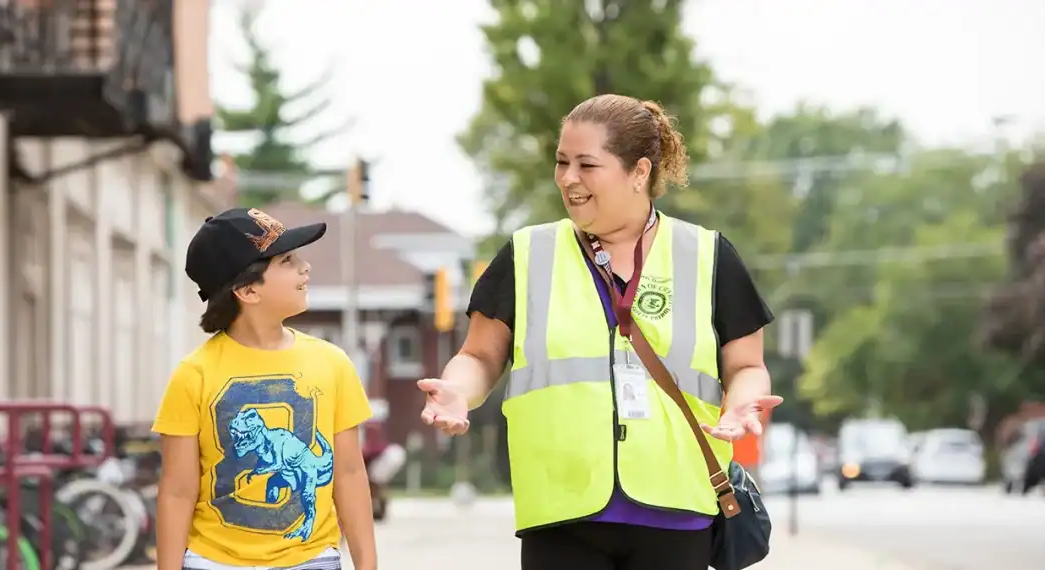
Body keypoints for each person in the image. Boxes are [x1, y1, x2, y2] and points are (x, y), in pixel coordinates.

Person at [419, 94, 783, 570]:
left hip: (676, 508)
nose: (569, 178)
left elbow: (747, 365)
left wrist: (744, 401)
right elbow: (480, 356)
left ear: (639, 172)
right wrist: (457, 392)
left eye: (587, 165)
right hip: (561, 510)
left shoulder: (708, 255)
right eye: (562, 162)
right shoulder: (529, 253)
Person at [153, 207, 377, 570]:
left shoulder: (332, 364)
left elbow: (349, 474)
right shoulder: (193, 374)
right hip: (213, 561)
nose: (306, 267)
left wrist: (368, 566)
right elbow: (177, 491)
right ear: (247, 290)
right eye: (287, 260)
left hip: (311, 560)